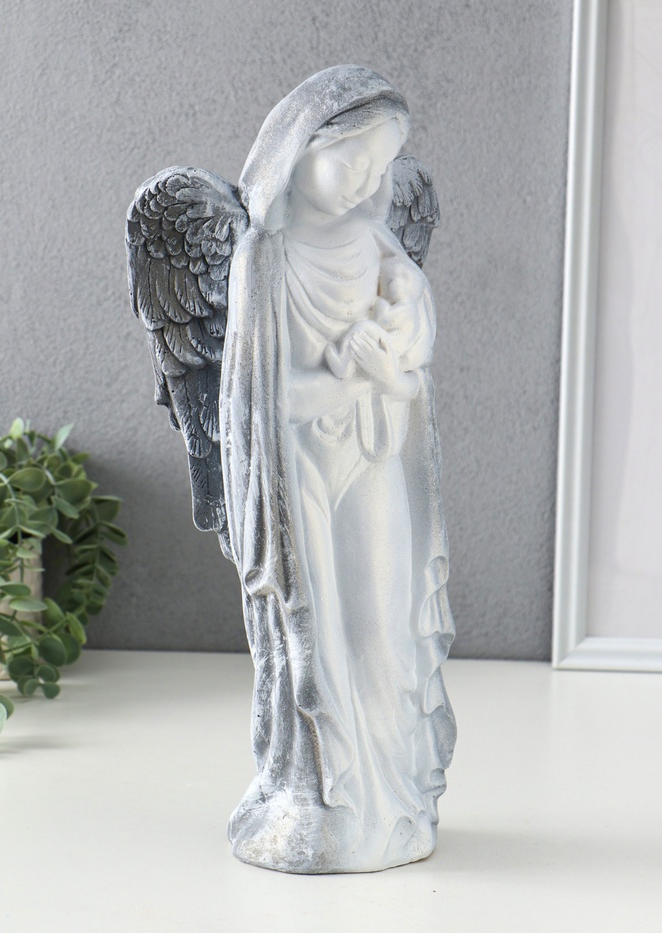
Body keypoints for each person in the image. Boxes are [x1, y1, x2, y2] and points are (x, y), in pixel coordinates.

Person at [220, 65, 455, 874]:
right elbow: (260, 405)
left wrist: (393, 349)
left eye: (380, 167)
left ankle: (391, 799)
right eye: (353, 161)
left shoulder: (379, 249)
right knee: (314, 636)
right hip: (301, 481)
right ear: (300, 150)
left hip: (373, 459)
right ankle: (321, 799)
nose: (367, 182)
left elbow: (412, 370)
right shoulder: (263, 262)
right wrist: (358, 372)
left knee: (382, 621)